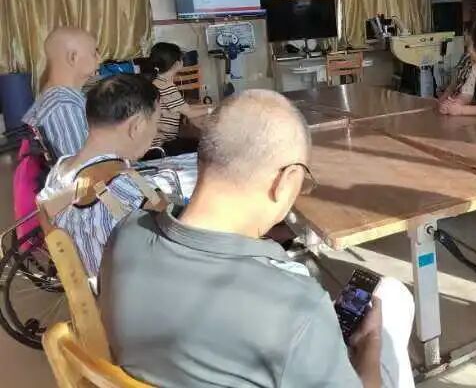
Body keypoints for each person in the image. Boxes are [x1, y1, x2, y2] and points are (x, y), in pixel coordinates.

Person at [98, 90, 415, 388]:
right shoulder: (295, 305)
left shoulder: (127, 233)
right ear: (285, 181)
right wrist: (370, 345)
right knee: (393, 296)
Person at [36, 74, 164, 276]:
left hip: (93, 290)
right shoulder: (134, 189)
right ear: (136, 126)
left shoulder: (58, 172)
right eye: (157, 122)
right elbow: (183, 240)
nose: (157, 130)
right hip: (134, 292)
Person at [22, 27, 100, 159]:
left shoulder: (55, 98)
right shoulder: (64, 106)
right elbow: (82, 166)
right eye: (94, 53)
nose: (100, 59)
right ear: (73, 57)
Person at [140, 42, 206, 156]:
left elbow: (185, 107)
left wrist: (208, 107)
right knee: (202, 147)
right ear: (176, 64)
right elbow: (189, 112)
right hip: (160, 145)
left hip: (153, 142)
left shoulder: (157, 82)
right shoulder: (166, 87)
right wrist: (213, 109)